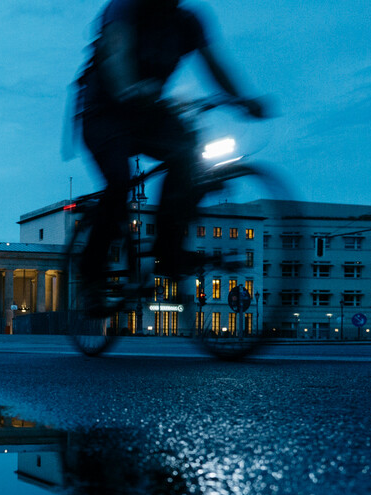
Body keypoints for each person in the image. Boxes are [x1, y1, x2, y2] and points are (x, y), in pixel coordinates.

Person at [75, 0, 265, 300]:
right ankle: (91, 272)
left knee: (187, 152)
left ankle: (168, 249)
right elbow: (116, 52)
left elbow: (215, 64)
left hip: (147, 110)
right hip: (103, 109)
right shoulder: (125, 7)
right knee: (119, 182)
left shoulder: (187, 21)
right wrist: (128, 88)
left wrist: (243, 99)